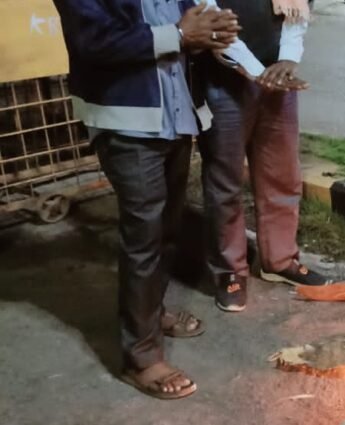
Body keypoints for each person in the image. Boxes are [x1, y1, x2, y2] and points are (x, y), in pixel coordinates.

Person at [53, 0, 241, 399]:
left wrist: (211, 31)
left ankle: (151, 315)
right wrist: (179, 34)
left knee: (166, 230)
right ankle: (141, 357)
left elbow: (188, 16)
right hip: (126, 121)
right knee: (145, 238)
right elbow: (92, 40)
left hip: (176, 111)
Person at [197, 0, 330, 313]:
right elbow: (209, 19)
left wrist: (288, 58)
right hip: (224, 80)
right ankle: (230, 269)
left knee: (281, 174)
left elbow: (298, 9)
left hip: (278, 77)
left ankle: (279, 260)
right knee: (224, 181)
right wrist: (260, 73)